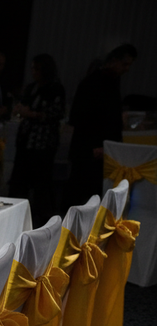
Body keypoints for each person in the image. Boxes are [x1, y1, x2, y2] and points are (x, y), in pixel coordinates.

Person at [67, 44, 137, 206]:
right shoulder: (93, 83)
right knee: (83, 195)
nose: (126, 69)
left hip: (101, 148)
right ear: (113, 61)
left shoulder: (112, 82)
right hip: (91, 150)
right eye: (124, 64)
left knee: (94, 195)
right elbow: (81, 117)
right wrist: (95, 145)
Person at [9, 54, 65, 226]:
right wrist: (20, 110)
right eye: (32, 68)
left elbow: (56, 114)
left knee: (41, 183)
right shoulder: (31, 87)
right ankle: (15, 215)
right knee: (19, 181)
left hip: (42, 143)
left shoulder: (55, 89)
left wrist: (31, 114)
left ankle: (42, 221)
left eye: (37, 69)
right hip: (26, 140)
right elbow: (22, 107)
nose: (33, 72)